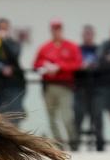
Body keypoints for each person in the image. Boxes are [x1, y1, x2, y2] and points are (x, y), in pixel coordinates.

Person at [34, 19, 81, 150]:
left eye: (58, 29)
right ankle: (59, 145)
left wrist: (59, 67)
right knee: (51, 117)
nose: (56, 31)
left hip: (65, 86)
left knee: (67, 117)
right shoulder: (45, 47)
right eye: (54, 29)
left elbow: (77, 64)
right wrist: (45, 66)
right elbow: (36, 64)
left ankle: (73, 143)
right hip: (49, 87)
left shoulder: (71, 46)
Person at [74, 25, 103, 151]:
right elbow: (73, 66)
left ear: (93, 35)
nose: (88, 36)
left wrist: (94, 66)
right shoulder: (77, 49)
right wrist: (81, 66)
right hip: (80, 89)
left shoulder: (99, 49)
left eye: (90, 34)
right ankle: (74, 145)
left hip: (96, 89)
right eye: (86, 34)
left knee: (97, 117)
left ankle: (100, 145)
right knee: (78, 117)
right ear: (82, 35)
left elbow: (103, 66)